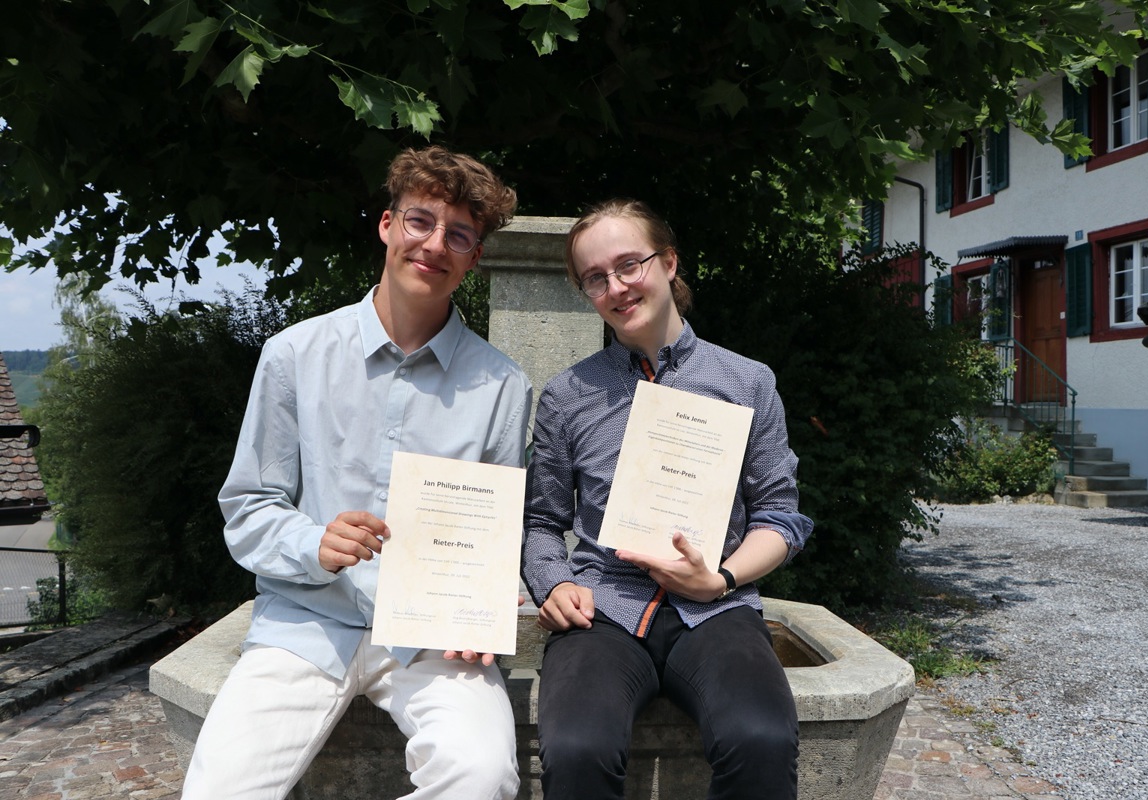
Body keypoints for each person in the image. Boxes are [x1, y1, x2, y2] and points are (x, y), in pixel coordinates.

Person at [183, 145, 532, 800]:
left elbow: (493, 531)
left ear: (474, 257)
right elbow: (250, 505)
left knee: (480, 777)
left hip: (432, 641)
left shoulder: (503, 386)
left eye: (458, 234)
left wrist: (485, 601)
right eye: (419, 221)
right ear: (387, 225)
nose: (434, 245)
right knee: (218, 791)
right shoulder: (295, 354)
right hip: (307, 622)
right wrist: (312, 544)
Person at [521, 198, 814, 800]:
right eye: (595, 277)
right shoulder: (567, 394)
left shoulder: (746, 381)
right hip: (604, 610)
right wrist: (552, 584)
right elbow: (541, 519)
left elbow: (780, 516)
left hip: (715, 611)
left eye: (630, 264)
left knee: (761, 737)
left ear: (669, 262)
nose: (617, 286)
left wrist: (723, 579)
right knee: (577, 751)